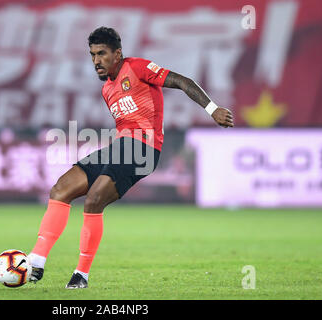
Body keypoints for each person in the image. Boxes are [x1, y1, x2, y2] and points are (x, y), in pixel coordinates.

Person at [27, 27, 234, 289]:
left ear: (118, 53)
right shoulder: (107, 89)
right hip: (120, 147)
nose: (96, 61)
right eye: (92, 55)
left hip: (143, 150)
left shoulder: (138, 68)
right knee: (60, 189)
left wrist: (213, 109)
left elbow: (184, 82)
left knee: (93, 200)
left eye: (102, 54)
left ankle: (81, 275)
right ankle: (36, 260)